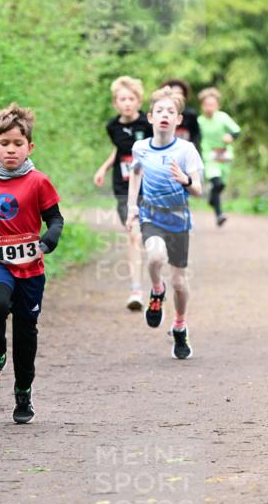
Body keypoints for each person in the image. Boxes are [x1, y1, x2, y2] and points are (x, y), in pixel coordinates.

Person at [0, 102, 63, 424]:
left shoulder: (38, 181)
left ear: (29, 147)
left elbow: (55, 219)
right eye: (4, 143)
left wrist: (47, 241)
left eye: (18, 144)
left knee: (25, 334)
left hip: (30, 268)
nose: (11, 150)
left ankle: (23, 393)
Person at [126, 86, 204, 360]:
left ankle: (180, 325)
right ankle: (157, 290)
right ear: (150, 117)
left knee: (180, 282)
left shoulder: (186, 150)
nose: (164, 115)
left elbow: (199, 189)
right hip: (152, 216)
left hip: (179, 220)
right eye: (159, 111)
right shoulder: (140, 148)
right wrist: (131, 206)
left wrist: (185, 180)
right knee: (155, 256)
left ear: (178, 120)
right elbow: (135, 174)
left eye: (171, 111)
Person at [93, 76, 153, 310]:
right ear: (115, 103)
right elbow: (119, 151)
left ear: (139, 101)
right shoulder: (112, 126)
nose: (127, 103)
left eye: (131, 98)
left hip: (149, 187)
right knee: (134, 235)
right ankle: (136, 290)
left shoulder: (148, 124)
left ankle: (155, 283)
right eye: (122, 99)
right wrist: (104, 167)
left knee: (147, 237)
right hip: (124, 189)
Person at [197, 87, 241, 226]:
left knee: (221, 185)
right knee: (217, 183)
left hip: (225, 155)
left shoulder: (222, 117)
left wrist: (231, 136)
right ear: (202, 106)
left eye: (212, 105)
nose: (209, 108)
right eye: (206, 105)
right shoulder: (200, 121)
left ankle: (211, 199)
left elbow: (237, 131)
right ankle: (219, 214)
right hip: (209, 155)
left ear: (217, 106)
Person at [160, 77, 201, 150]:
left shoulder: (190, 114)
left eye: (179, 93)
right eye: (173, 93)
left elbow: (196, 135)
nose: (176, 96)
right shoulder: (160, 114)